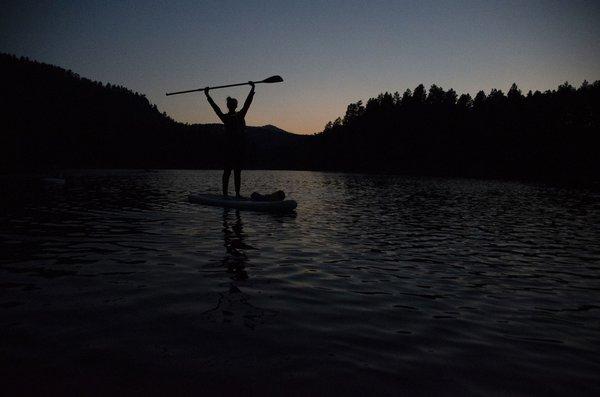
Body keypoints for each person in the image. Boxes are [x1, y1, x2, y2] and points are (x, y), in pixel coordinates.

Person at [204, 82, 255, 197]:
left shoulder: (229, 117)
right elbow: (247, 104)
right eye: (234, 104)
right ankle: (232, 194)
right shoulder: (235, 116)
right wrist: (252, 90)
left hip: (235, 148)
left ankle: (229, 194)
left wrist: (208, 95)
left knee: (231, 172)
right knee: (233, 172)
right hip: (232, 149)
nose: (234, 105)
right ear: (233, 106)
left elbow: (216, 108)